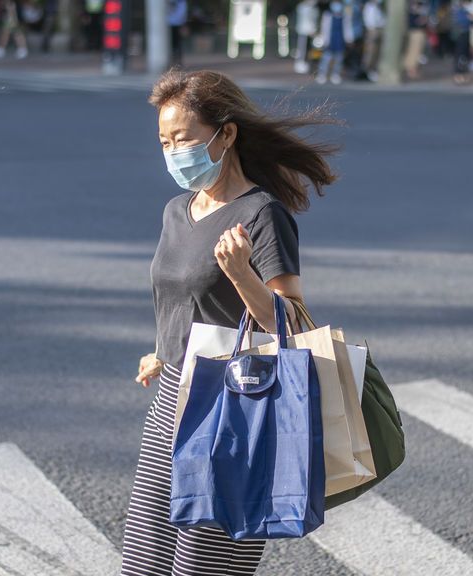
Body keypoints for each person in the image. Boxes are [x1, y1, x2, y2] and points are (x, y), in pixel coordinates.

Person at [122, 69, 338, 576]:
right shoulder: (178, 210)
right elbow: (183, 296)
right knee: (143, 563)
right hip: (173, 398)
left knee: (205, 567)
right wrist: (164, 349)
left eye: (185, 139)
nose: (174, 151)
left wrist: (242, 274)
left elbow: (291, 320)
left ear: (226, 134)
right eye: (165, 141)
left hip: (235, 409)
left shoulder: (262, 213)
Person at [316, 1, 355, 84]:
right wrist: (323, 39)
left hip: (340, 39)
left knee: (339, 59)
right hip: (330, 39)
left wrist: (349, 39)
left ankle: (335, 75)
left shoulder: (345, 15)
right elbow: (324, 28)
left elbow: (348, 28)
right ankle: (322, 74)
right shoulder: (327, 15)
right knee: (326, 58)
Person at [403, 0, 429, 80]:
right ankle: (411, 71)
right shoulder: (411, 10)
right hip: (415, 32)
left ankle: (414, 70)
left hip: (420, 32)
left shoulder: (421, 8)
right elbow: (413, 22)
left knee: (418, 52)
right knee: (414, 52)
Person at [361, 0, 385, 81]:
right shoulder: (369, 6)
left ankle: (373, 71)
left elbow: (382, 19)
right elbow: (368, 20)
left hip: (380, 29)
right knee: (370, 52)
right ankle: (367, 71)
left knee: (377, 52)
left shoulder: (379, 7)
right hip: (372, 30)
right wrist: (372, 30)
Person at [294, 0, 320, 73]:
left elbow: (314, 20)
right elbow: (307, 20)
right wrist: (312, 30)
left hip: (310, 31)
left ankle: (308, 64)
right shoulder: (303, 7)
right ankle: (300, 64)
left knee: (308, 49)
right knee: (302, 48)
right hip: (304, 31)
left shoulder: (313, 8)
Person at [450, 0, 472, 84]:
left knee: (465, 56)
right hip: (460, 35)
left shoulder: (464, 10)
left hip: (465, 34)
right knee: (460, 55)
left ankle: (463, 74)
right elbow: (464, 22)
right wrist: (470, 18)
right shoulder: (458, 10)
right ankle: (458, 74)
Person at [168, 0, 188, 67]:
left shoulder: (181, 2)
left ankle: (178, 62)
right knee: (172, 45)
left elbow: (183, 11)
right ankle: (173, 61)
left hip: (178, 23)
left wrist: (183, 23)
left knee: (178, 44)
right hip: (168, 24)